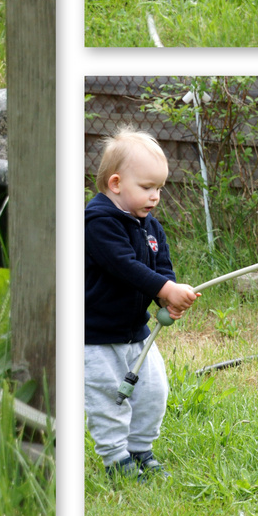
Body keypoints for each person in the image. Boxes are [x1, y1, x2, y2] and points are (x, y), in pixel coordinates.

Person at [84, 125, 199, 479]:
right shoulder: (97, 221)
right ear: (116, 184)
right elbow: (125, 267)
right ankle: (116, 459)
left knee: (152, 391)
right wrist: (164, 288)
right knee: (109, 399)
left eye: (160, 188)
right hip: (96, 337)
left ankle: (140, 450)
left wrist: (169, 296)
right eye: (147, 188)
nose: (155, 197)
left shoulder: (150, 227)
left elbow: (160, 267)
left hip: (136, 333)